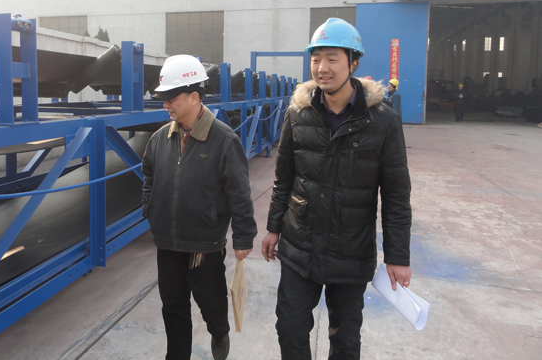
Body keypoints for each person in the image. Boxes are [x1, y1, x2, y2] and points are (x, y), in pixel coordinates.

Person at [261, 18, 412, 360]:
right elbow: (284, 177)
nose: (321, 68)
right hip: (300, 245)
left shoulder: (383, 121)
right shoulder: (298, 114)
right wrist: (273, 228)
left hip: (350, 250)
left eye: (332, 59)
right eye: (316, 59)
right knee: (290, 329)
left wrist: (398, 256)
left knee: (344, 339)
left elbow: (396, 195)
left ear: (353, 63)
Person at [142, 54, 257, 360]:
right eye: (164, 98)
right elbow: (149, 175)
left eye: (172, 98)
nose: (166, 104)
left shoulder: (224, 140)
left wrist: (243, 237)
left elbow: (239, 193)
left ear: (194, 97)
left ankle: (219, 333)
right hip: (167, 243)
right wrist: (149, 209)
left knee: (212, 304)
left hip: (204, 245)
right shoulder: (160, 139)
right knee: (173, 307)